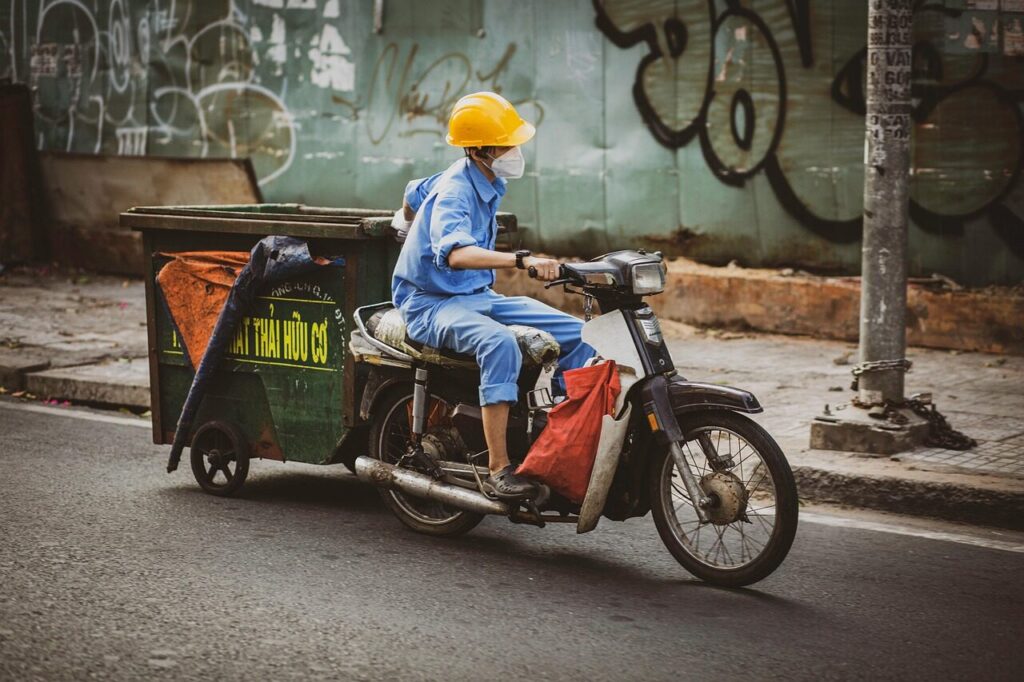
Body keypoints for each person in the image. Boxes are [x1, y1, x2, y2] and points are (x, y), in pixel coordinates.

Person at [391, 91, 594, 500]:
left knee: (579, 334)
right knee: (500, 344)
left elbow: (414, 190)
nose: (515, 150)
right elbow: (457, 252)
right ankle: (499, 468)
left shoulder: (478, 176)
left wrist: (405, 220)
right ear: (482, 148)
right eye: (508, 143)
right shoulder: (455, 191)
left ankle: (557, 437)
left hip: (475, 296)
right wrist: (521, 261)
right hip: (430, 304)